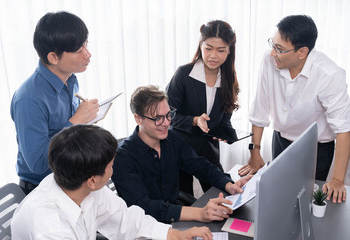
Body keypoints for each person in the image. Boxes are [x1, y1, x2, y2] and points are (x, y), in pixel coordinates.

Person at [11, 124, 213, 240]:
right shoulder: (49, 227)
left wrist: (175, 234)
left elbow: (125, 219)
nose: (113, 171)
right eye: (111, 165)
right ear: (92, 180)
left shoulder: (80, 182)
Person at [239, 15, 350, 203]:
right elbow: (260, 109)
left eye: (279, 49)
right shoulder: (269, 60)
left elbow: (343, 129)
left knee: (308, 201)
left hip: (316, 149)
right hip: (281, 140)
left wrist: (338, 180)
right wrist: (255, 153)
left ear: (302, 52)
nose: (273, 53)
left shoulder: (329, 75)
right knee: (281, 195)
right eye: (272, 45)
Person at [112, 85, 250, 223]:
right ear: (138, 119)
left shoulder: (171, 139)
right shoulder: (122, 157)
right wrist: (200, 213)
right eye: (158, 118)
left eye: (168, 115)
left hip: (175, 215)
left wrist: (228, 184)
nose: (166, 123)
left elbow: (201, 166)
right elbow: (145, 207)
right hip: (146, 226)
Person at [10, 11, 99, 195]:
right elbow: (37, 163)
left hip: (69, 178)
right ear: (53, 57)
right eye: (78, 50)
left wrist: (84, 121)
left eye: (86, 45)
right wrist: (75, 122)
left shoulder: (71, 80)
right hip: (41, 190)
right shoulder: (29, 98)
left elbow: (66, 131)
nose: (88, 54)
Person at [166, 20, 239, 196]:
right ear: (200, 46)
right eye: (208, 48)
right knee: (182, 198)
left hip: (208, 149)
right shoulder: (184, 74)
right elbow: (167, 114)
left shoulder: (229, 79)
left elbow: (225, 116)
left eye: (221, 50)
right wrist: (194, 120)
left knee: (220, 193)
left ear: (229, 51)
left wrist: (229, 134)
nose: (213, 55)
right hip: (179, 147)